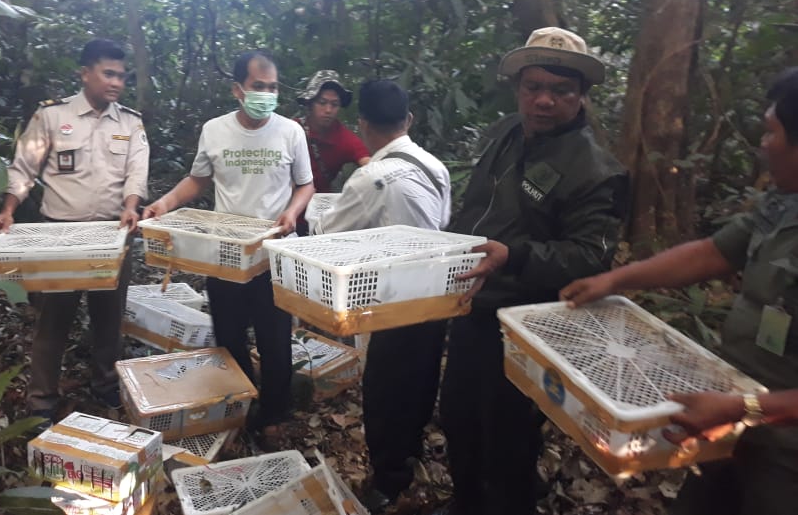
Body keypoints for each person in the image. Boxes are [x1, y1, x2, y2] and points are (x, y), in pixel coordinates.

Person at [559, 67, 798, 515]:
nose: (764, 147)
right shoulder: (785, 202)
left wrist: (746, 407)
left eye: (772, 133)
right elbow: (713, 253)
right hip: (731, 428)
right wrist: (616, 279)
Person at [435, 28, 629, 515]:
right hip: (471, 301)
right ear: (518, 88)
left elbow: (590, 257)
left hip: (526, 322)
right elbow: (479, 205)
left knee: (509, 433)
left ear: (581, 95)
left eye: (560, 91)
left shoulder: (596, 170)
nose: (543, 101)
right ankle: (466, 503)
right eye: (532, 88)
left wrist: (514, 256)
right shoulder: (506, 131)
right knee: (458, 415)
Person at [142, 50, 315, 433]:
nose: (267, 94)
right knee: (228, 335)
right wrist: (165, 203)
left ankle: (273, 414)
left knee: (274, 340)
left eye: (272, 87)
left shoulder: (290, 131)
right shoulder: (215, 130)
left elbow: (306, 184)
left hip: (272, 254)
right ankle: (237, 404)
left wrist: (292, 212)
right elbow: (199, 179)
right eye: (258, 86)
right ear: (238, 89)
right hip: (223, 253)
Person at [0, 39, 150, 423]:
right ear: (85, 73)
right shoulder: (51, 117)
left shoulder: (129, 122)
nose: (116, 83)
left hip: (113, 236)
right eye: (108, 74)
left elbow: (136, 171)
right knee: (53, 321)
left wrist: (131, 206)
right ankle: (42, 400)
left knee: (109, 318)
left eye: (121, 76)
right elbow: (23, 168)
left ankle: (106, 385)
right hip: (59, 237)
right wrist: (8, 210)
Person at [313, 80, 452, 510]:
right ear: (408, 120)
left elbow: (328, 233)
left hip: (393, 298)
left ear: (363, 124)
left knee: (384, 391)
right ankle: (408, 454)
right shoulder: (434, 164)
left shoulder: (371, 178)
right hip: (439, 293)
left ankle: (388, 479)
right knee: (421, 379)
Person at [296, 70, 370, 194]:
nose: (328, 110)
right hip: (283, 203)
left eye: (334, 104)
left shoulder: (344, 138)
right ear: (310, 103)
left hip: (319, 206)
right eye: (322, 103)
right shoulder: (293, 130)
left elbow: (370, 166)